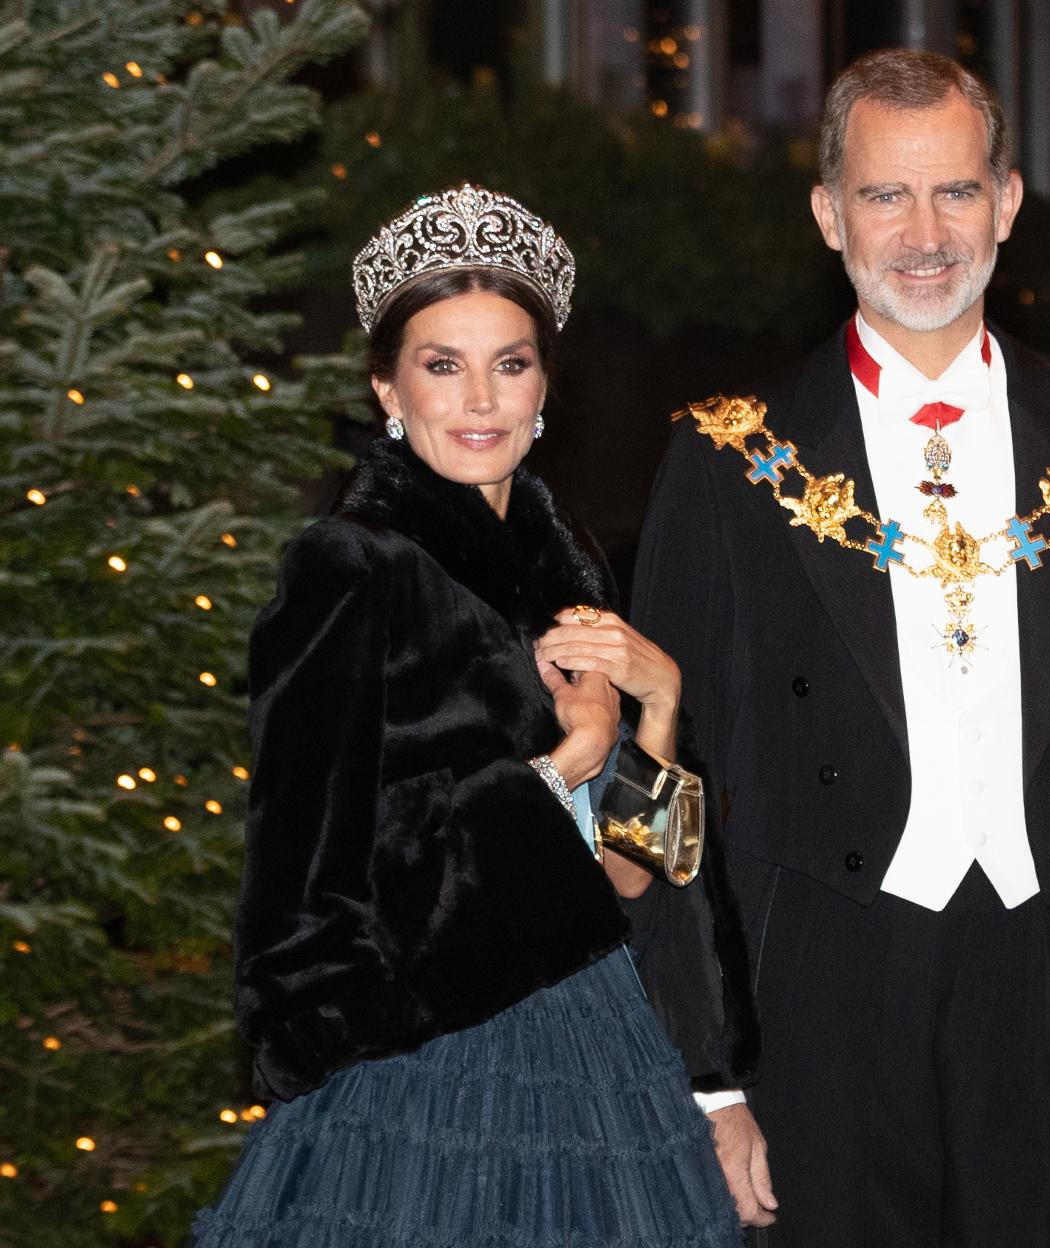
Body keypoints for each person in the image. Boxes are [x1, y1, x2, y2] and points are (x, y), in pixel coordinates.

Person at [630, 49, 1050, 1246]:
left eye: (954, 191)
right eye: (885, 195)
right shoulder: (726, 453)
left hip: (1046, 956)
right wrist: (706, 1071)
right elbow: (662, 773)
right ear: (828, 213)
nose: (923, 233)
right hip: (812, 972)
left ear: (1005, 202)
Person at [192, 184, 756, 1247]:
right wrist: (570, 758)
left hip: (600, 1048)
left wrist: (660, 710)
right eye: (442, 365)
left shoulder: (569, 564)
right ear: (386, 389)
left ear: (545, 388)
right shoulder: (349, 564)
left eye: (511, 362)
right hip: (416, 1065)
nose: (481, 399)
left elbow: (625, 882)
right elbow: (312, 888)